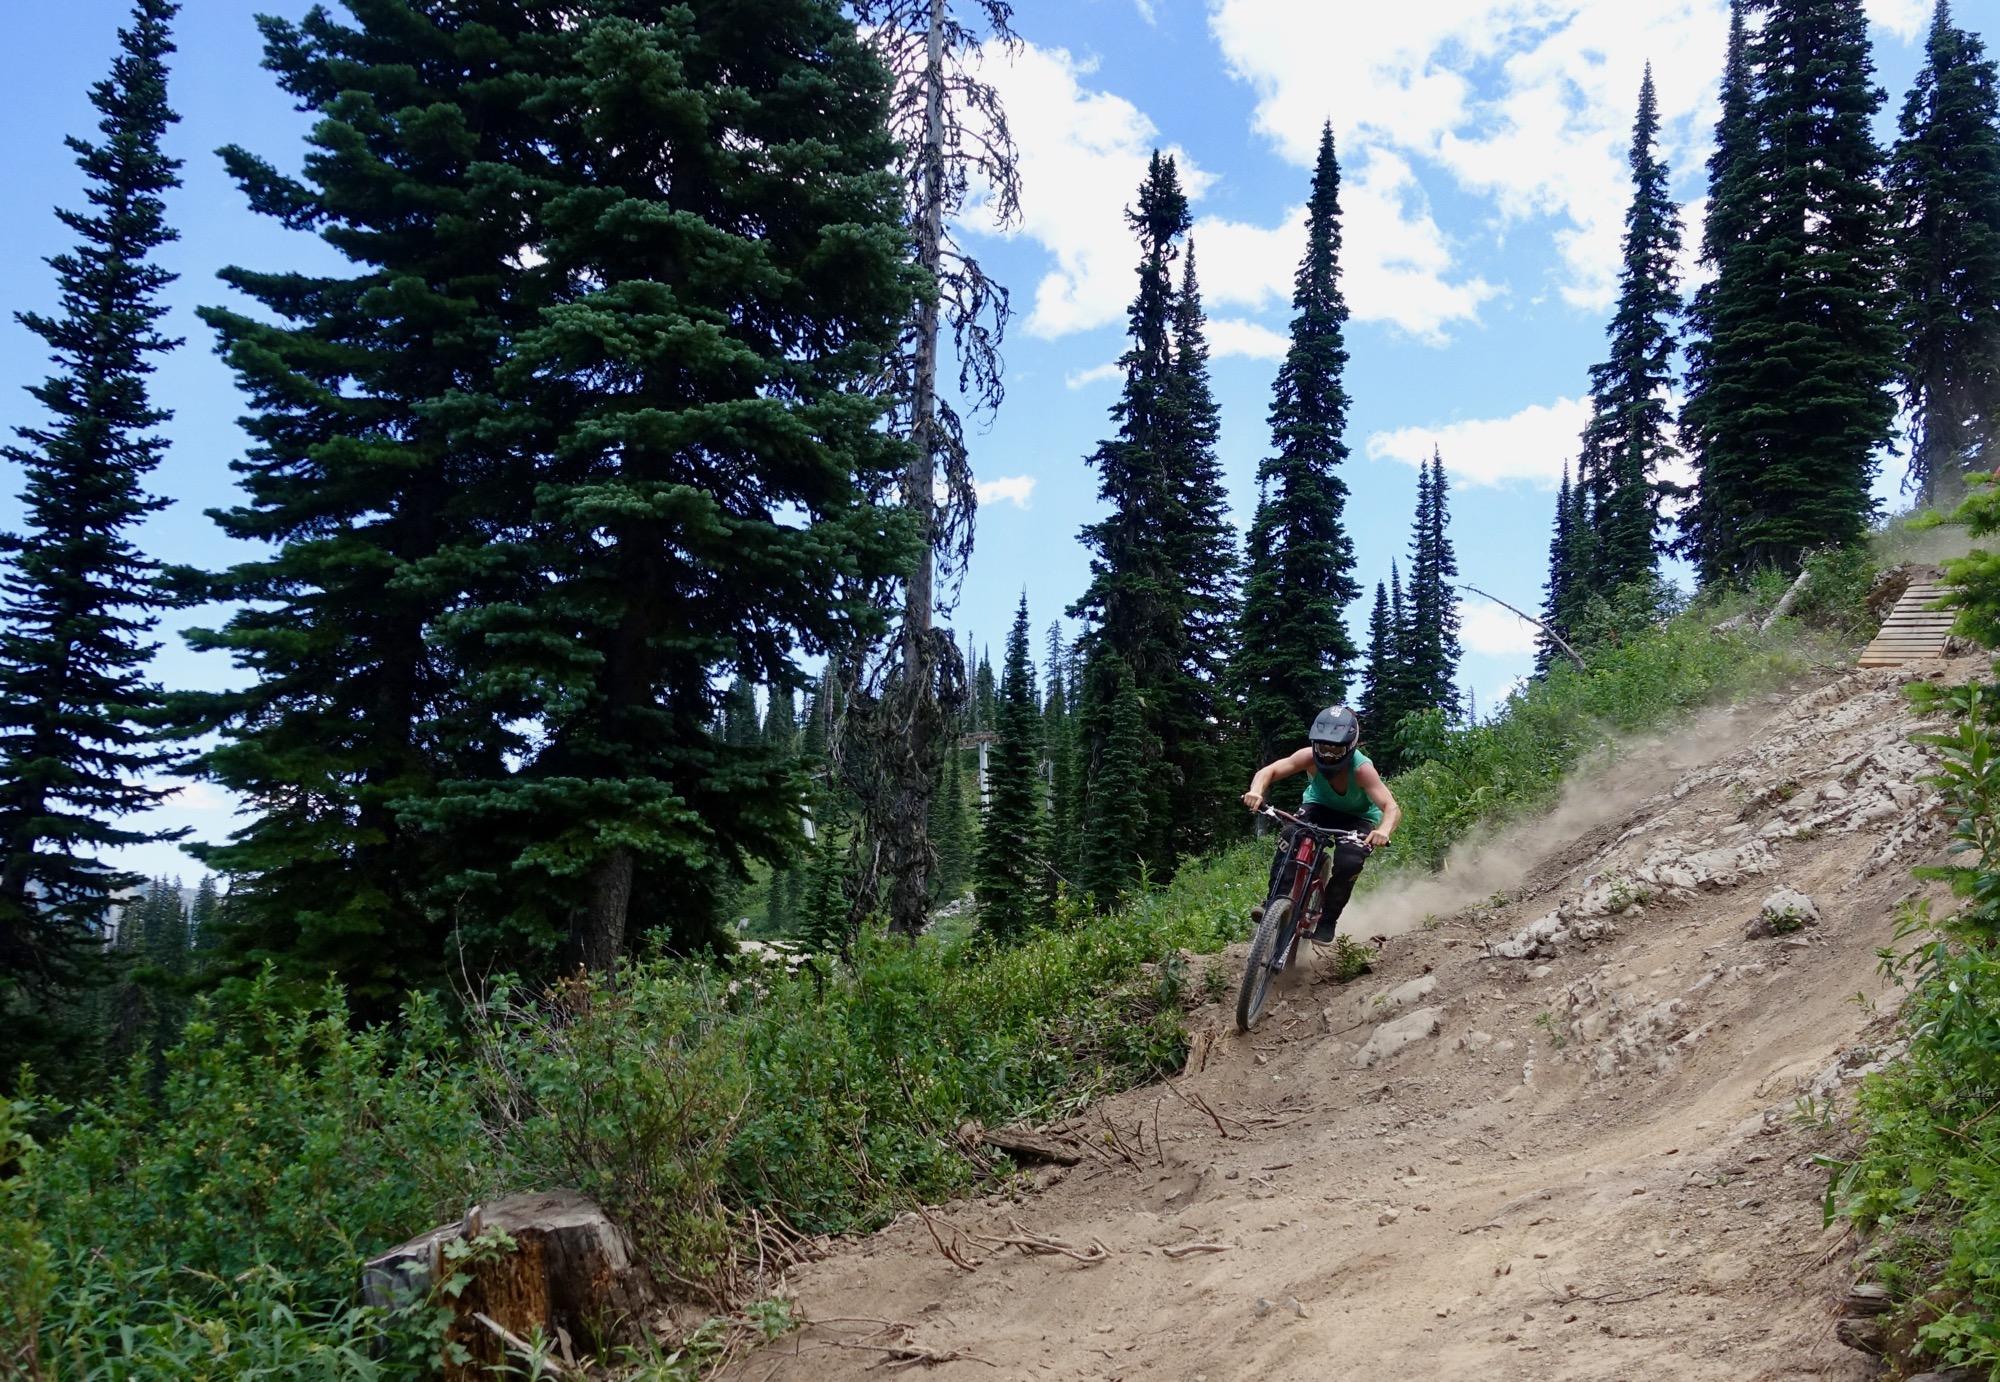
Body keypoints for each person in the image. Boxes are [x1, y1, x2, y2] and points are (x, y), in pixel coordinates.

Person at [1240, 705, 1400, 941]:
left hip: (1358, 817)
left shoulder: (1362, 770)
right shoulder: (1308, 756)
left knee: (1349, 862)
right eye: (1323, 747)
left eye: (1336, 750)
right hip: (1318, 807)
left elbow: (1391, 807)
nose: (1327, 754)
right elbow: (1270, 771)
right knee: (1290, 836)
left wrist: (1384, 830)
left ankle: (1328, 921)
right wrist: (1256, 791)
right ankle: (1274, 901)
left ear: (1350, 746)